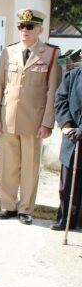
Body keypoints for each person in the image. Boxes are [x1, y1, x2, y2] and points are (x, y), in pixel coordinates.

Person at [0, 9, 60, 224]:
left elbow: (53, 91)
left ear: (40, 29)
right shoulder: (8, 52)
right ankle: (8, 206)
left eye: (29, 27)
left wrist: (47, 123)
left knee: (29, 168)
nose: (24, 31)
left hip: (34, 121)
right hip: (8, 118)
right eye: (21, 26)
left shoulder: (50, 53)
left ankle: (25, 209)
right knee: (8, 165)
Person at [52, 65, 82, 230]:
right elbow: (61, 100)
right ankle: (65, 219)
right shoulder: (72, 75)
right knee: (67, 186)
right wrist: (66, 125)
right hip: (71, 139)